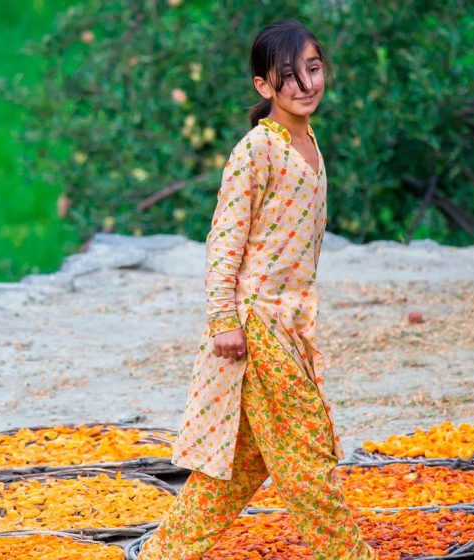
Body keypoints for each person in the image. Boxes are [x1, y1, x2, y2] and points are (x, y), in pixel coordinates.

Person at [137, 18, 376, 560]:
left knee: (242, 465)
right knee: (309, 450)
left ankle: (162, 554)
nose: (306, 85)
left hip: (292, 323)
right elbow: (224, 240)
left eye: (313, 70)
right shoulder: (256, 152)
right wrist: (224, 320)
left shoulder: (310, 143)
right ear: (264, 87)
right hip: (258, 323)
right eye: (288, 77)